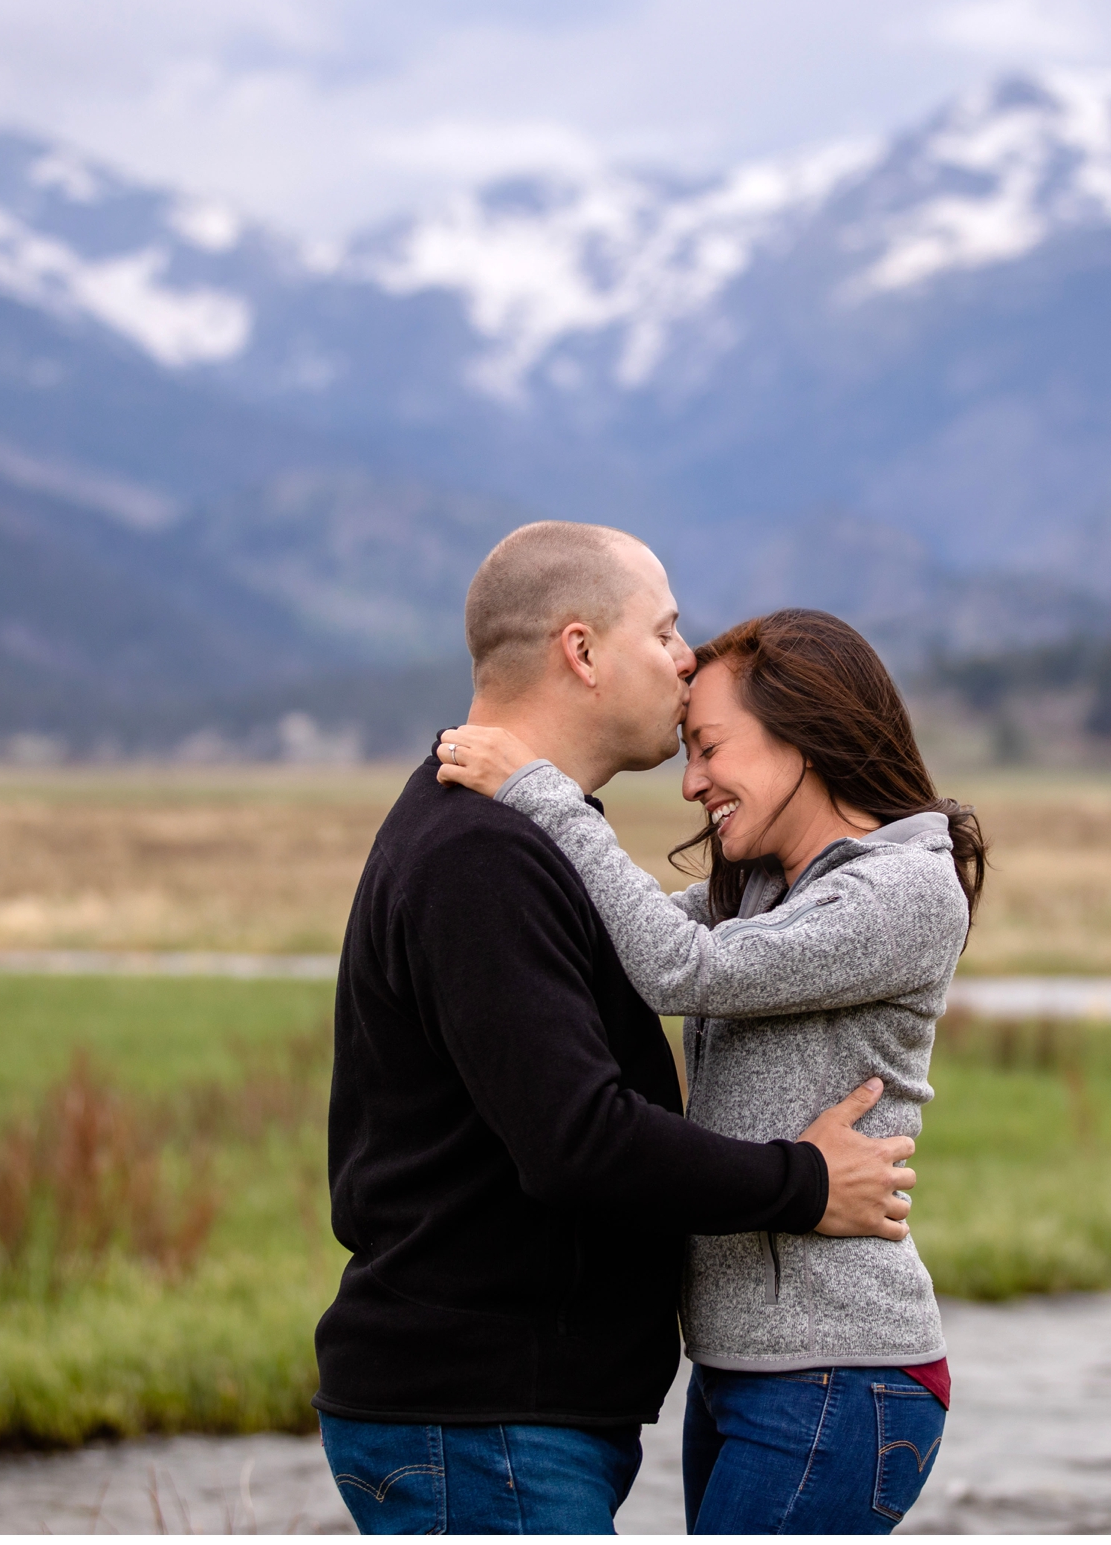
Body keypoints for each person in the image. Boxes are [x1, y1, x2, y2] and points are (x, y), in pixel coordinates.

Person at [316, 524, 921, 1535]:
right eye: (667, 628)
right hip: (481, 1413)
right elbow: (579, 1140)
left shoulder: (508, 837)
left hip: (501, 1409)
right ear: (581, 650)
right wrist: (805, 1181)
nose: (688, 657)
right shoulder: (482, 854)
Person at [438, 606, 986, 1534]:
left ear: (805, 739)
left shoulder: (904, 892)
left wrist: (542, 791)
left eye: (711, 748)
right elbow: (618, 938)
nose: (692, 782)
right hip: (744, 1369)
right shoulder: (776, 880)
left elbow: (682, 969)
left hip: (839, 1373)